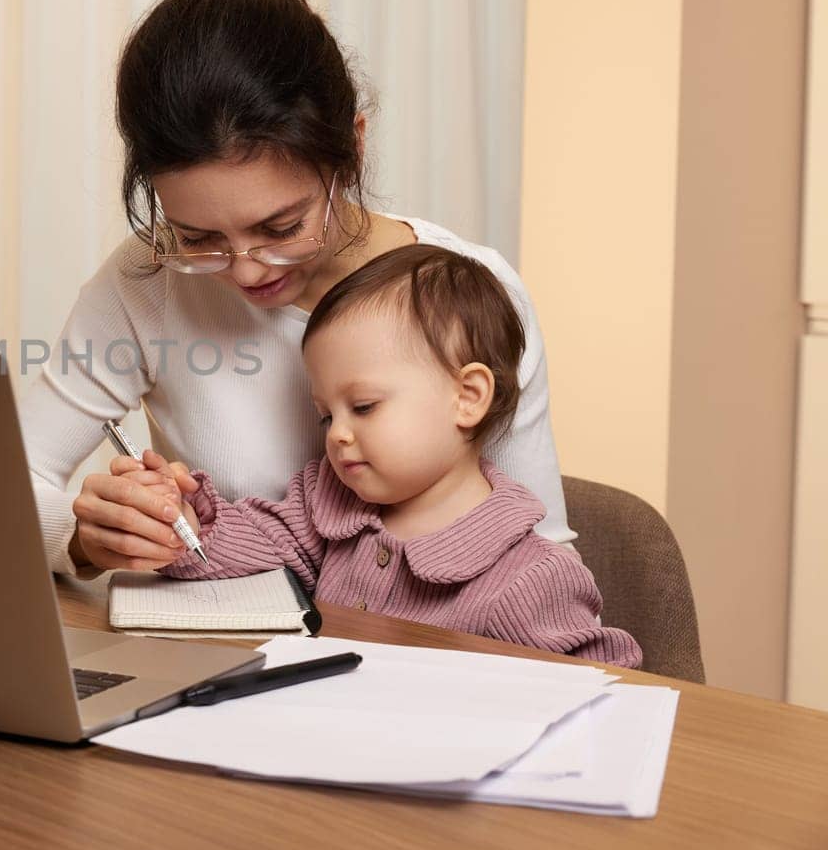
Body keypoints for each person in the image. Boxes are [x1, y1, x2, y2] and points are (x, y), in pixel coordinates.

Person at [18, 0, 572, 577]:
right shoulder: (148, 280)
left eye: (281, 228)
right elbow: (3, 489)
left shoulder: (474, 292)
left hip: (424, 659)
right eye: (198, 237)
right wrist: (85, 536)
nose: (247, 270)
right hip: (221, 661)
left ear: (353, 149)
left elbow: (540, 549)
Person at [108, 245, 640, 668]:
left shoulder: (530, 577)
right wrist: (180, 518)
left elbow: (605, 692)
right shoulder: (331, 505)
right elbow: (247, 543)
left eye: (362, 407)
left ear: (468, 397)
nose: (338, 435)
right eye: (326, 415)